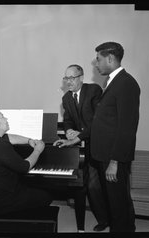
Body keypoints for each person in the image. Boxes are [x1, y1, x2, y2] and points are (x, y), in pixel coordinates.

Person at [91, 41, 140, 232]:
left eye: (98, 59)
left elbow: (127, 127)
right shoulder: (111, 81)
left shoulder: (126, 83)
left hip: (113, 157)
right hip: (105, 155)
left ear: (110, 58)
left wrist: (115, 161)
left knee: (119, 206)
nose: (96, 64)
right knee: (114, 204)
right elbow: (104, 121)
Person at [53, 65, 109, 231]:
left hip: (101, 145)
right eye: (66, 78)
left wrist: (79, 135)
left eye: (72, 78)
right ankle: (104, 220)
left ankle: (115, 219)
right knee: (91, 185)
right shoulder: (66, 99)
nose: (69, 82)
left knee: (107, 186)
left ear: (81, 78)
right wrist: (69, 129)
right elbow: (68, 119)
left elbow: (97, 121)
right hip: (84, 148)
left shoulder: (93, 91)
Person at [0, 106, 52, 215]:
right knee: (45, 197)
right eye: (3, 117)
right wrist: (37, 150)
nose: (6, 119)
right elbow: (24, 167)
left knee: (28, 191)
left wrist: (29, 140)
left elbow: (9, 137)